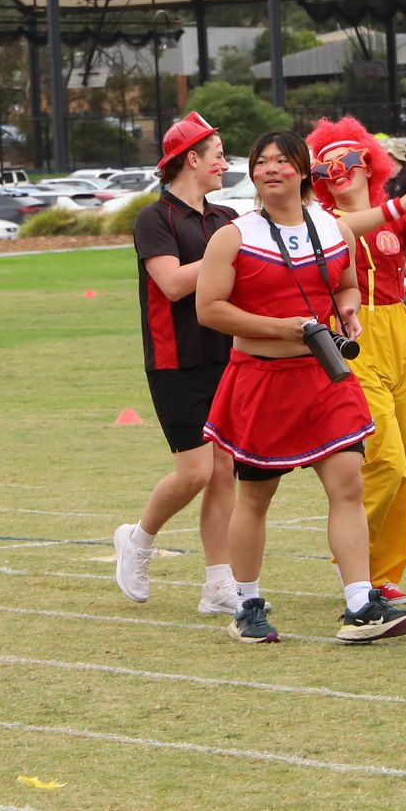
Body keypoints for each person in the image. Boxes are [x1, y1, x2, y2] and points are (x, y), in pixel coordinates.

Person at [193, 130, 406, 645]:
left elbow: (346, 284)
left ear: (302, 171)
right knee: (255, 496)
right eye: (261, 161)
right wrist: (283, 329)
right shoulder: (234, 235)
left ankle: (360, 603)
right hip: (260, 381)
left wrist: (348, 309)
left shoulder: (334, 228)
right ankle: (248, 604)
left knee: (348, 486)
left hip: (324, 377)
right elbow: (209, 310)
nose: (271, 169)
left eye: (282, 161)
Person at [309, 115, 406, 609]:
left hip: (401, 331)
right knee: (386, 459)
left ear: (369, 163)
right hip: (352, 336)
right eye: (327, 166)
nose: (339, 171)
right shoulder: (322, 222)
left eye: (349, 159)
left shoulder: (395, 218)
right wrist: (404, 200)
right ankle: (351, 552)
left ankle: (384, 573)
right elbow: (346, 235)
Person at [114, 112, 241, 613]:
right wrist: (225, 253)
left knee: (225, 471)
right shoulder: (154, 218)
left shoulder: (226, 217)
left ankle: (218, 584)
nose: (225, 165)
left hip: (227, 356)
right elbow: (170, 284)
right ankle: (138, 539)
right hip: (176, 360)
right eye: (218, 156)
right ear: (192, 159)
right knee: (195, 472)